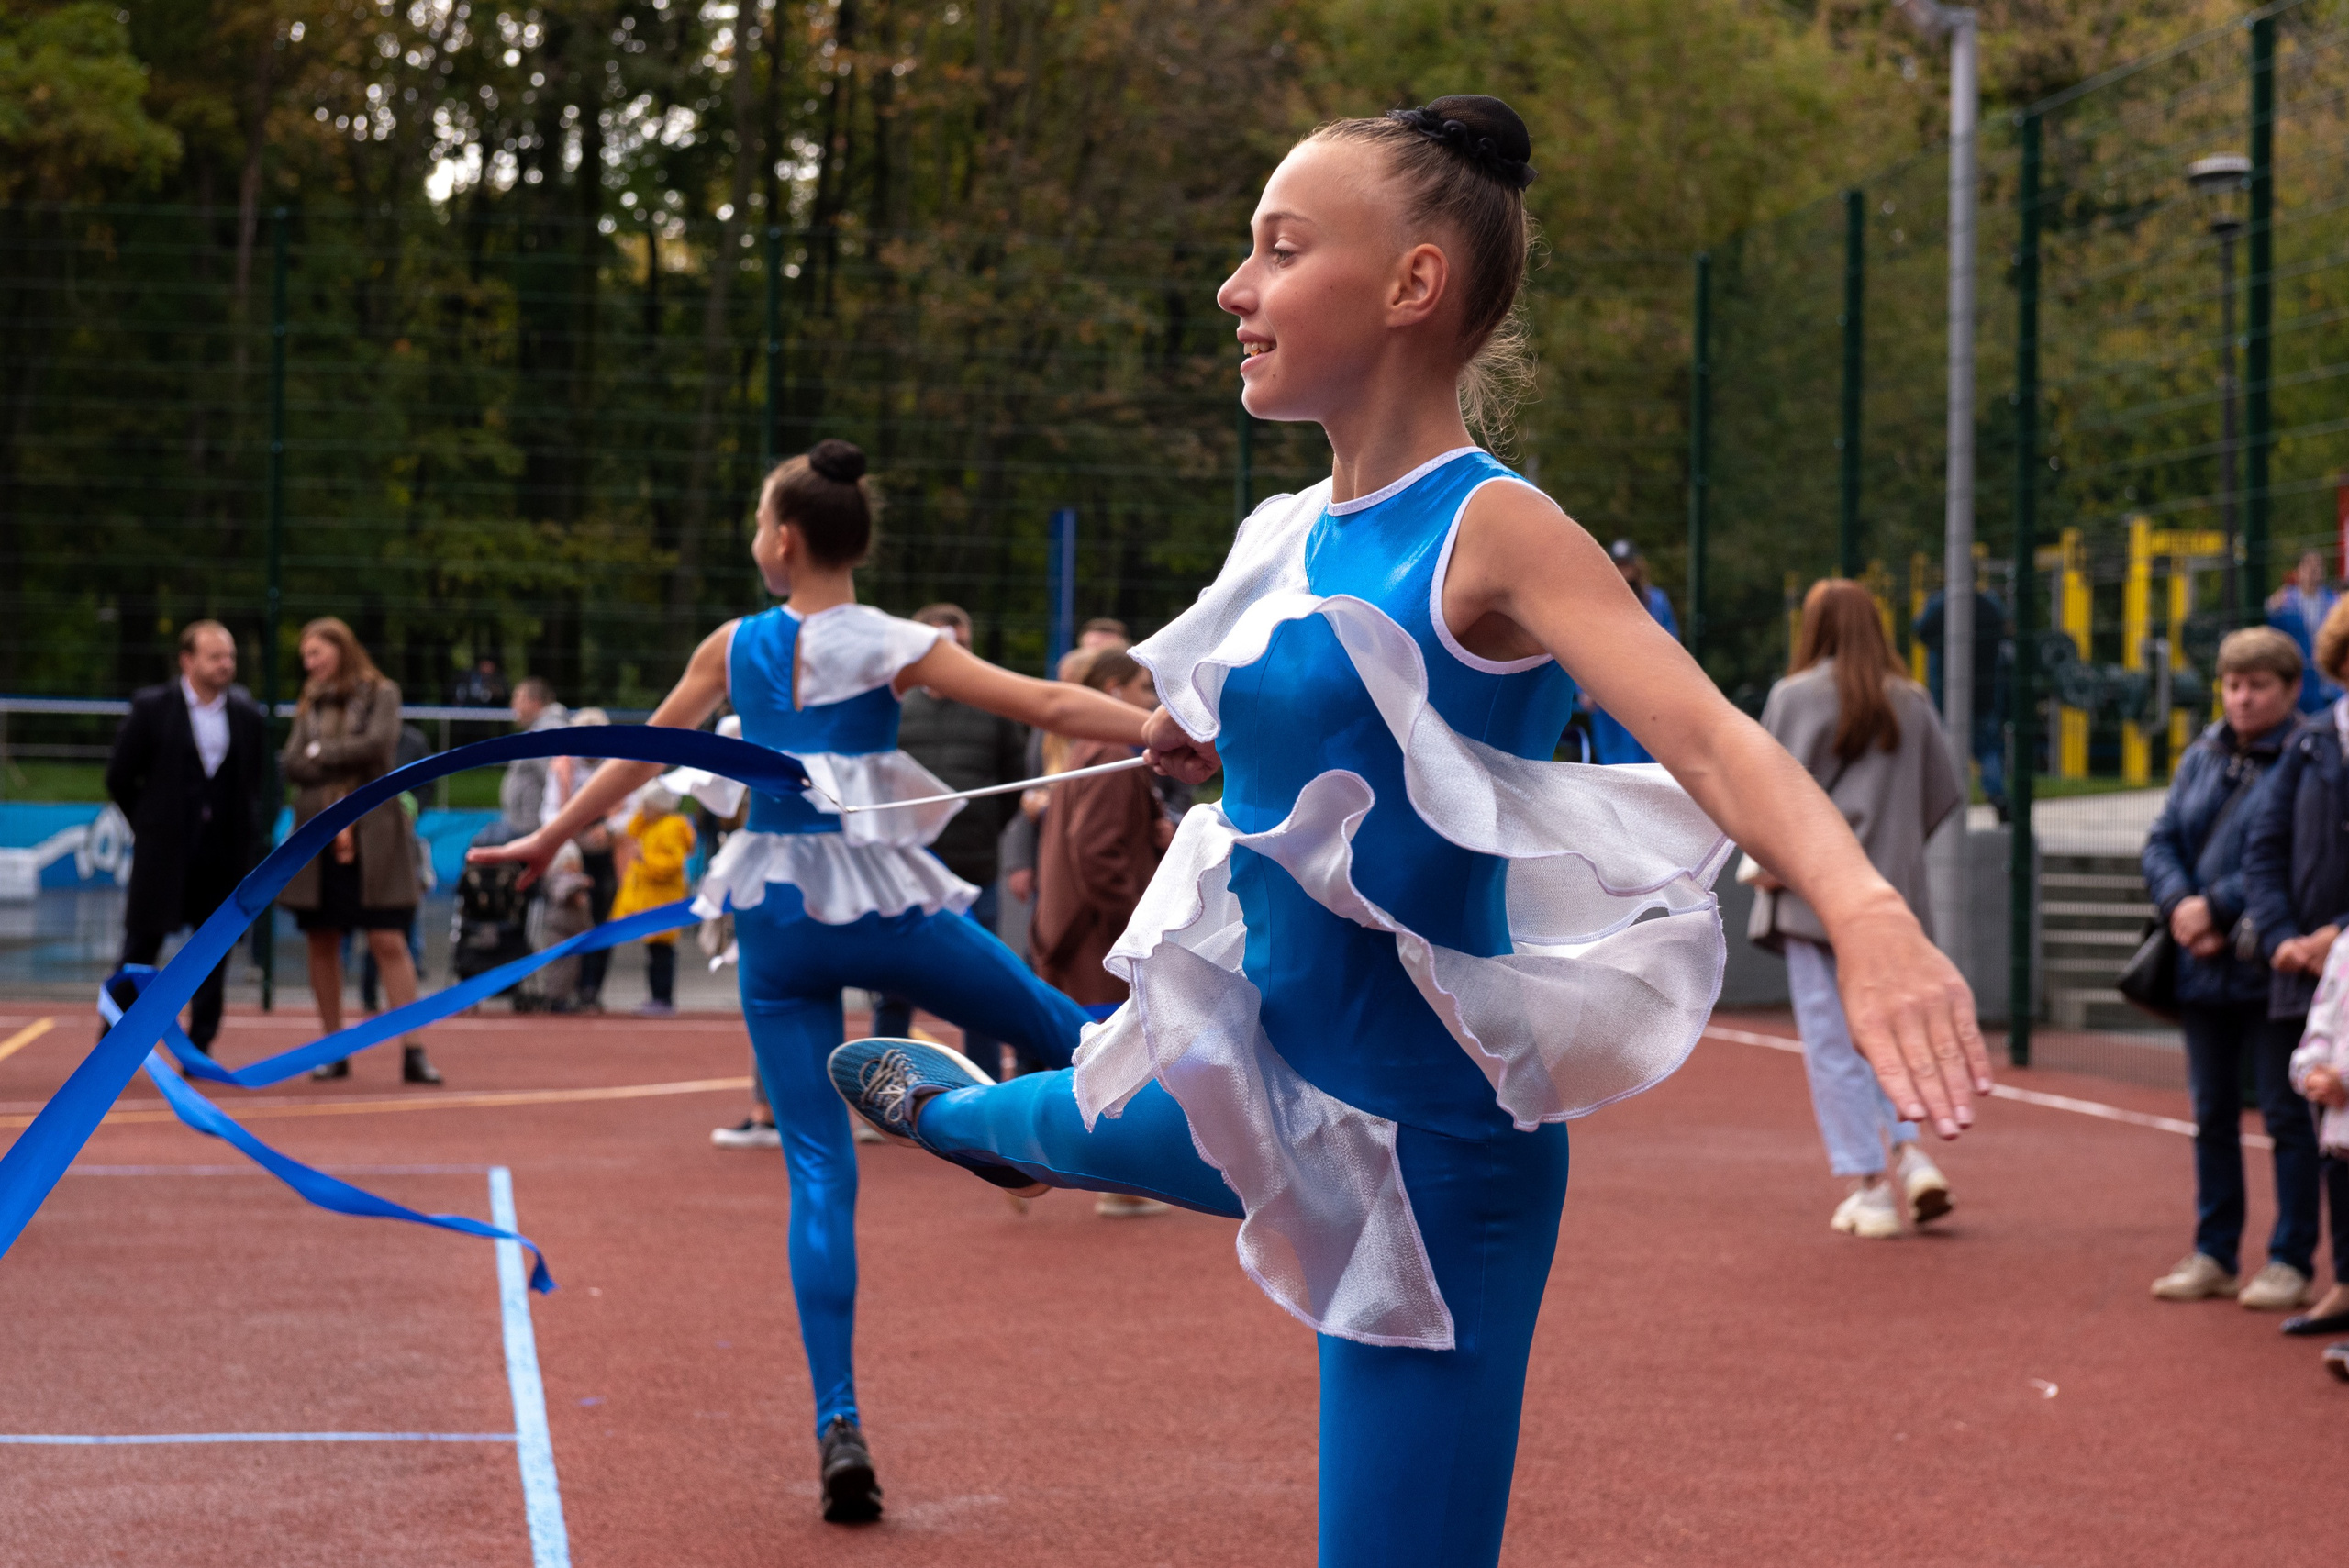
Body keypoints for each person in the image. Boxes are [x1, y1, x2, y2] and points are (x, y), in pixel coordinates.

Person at [827, 96, 1986, 1567]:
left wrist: (1870, 912)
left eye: (1278, 249)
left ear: (1411, 285)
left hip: (1424, 1165)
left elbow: (1707, 735)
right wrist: (1209, 731)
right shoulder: (1285, 532)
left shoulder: (1492, 526)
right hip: (1255, 1070)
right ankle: (976, 1127)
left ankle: (994, 1129)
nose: (1236, 290)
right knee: (1052, 1115)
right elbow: (1300, 720)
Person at [471, 438, 1152, 1526]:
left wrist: (550, 838)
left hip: (778, 924)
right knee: (1068, 1026)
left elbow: (641, 748)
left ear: (783, 540)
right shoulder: (894, 639)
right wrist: (1167, 727)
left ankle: (839, 1420)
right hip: (884, 908)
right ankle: (1114, 1122)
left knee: (819, 1174)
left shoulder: (734, 643)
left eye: (755, 521)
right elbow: (1049, 705)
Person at [1750, 581, 1960, 1238]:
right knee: (1884, 1036)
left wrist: (1776, 861)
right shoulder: (1914, 699)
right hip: (1889, 895)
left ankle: (1871, 1186)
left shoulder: (1795, 695)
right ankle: (1909, 1149)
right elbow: (1944, 793)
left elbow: (1762, 787)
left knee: (1831, 1041)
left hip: (1813, 891)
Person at [2143, 627, 2309, 1307]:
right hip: (2200, 964)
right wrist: (2180, 902)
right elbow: (2161, 839)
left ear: (2290, 689)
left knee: (2285, 1113)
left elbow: (2291, 852)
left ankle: (2291, 1258)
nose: (2242, 698)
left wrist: (2213, 903)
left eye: (2258, 686)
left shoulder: (2308, 755)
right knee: (2211, 1111)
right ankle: (2215, 1250)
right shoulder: (2202, 753)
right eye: (2234, 685)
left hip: (2269, 962)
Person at [2235, 608, 2349, 1313]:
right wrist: (2283, 934)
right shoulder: (2311, 747)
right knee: (2309, 1121)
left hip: (2338, 953)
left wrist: (2338, 930)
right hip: (2304, 970)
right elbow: (2263, 844)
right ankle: (2330, 1272)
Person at [277, 617, 440, 1085]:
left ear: (342, 650)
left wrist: (319, 753)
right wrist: (323, 756)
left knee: (388, 939)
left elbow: (377, 748)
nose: (310, 664)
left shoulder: (381, 692)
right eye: (305, 656)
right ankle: (333, 1048)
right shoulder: (309, 700)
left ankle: (413, 1050)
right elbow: (291, 763)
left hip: (373, 832)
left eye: (318, 654)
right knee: (322, 939)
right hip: (318, 833)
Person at [870, 604, 1030, 1076]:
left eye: (957, 644)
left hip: (974, 867)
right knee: (893, 987)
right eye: (936, 643)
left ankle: (981, 1093)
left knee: (980, 986)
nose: (947, 654)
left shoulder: (993, 708)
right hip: (903, 872)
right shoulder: (890, 707)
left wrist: (982, 829)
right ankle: (887, 1088)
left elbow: (1013, 783)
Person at [103, 620, 269, 1056]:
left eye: (230, 656)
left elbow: (258, 783)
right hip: (164, 852)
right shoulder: (152, 708)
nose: (225, 665)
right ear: (187, 660)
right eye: (215, 656)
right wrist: (149, 822)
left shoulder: (248, 716)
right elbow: (119, 776)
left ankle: (200, 1045)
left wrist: (247, 836)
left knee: (212, 951)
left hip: (222, 855)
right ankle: (113, 1041)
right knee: (142, 943)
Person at [2287, 934, 2349, 1358]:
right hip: (2342, 1126)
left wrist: (2345, 1078)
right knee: (2344, 1207)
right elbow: (2322, 1019)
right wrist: (2312, 1071)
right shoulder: (2345, 946)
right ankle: (2346, 1289)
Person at [1913, 583, 2011, 815]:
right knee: (1987, 750)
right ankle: (1997, 795)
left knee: (1943, 750)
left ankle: (1942, 804)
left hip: (1946, 693)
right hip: (1985, 692)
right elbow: (2004, 631)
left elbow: (1921, 629)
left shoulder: (1940, 603)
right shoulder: (1990, 604)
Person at [1583, 539, 1677, 763]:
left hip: (1649, 693)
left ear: (1637, 566)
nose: (1623, 571)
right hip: (1609, 695)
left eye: (1627, 564)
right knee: (1616, 763)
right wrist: (1585, 688)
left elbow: (1672, 647)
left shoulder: (1656, 602)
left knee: (1649, 763)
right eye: (1618, 564)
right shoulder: (1599, 602)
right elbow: (1585, 646)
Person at [610, 783, 696, 1016]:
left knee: (661, 955)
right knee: (654, 954)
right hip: (653, 901)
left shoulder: (670, 827)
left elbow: (672, 863)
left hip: (664, 901)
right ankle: (657, 997)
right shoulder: (652, 825)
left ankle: (662, 998)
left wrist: (645, 859)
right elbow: (632, 829)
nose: (643, 810)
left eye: (648, 805)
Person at [2266, 550, 2342, 716]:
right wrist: (2271, 609)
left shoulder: (2334, 602)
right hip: (2298, 676)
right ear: (2298, 570)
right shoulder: (2284, 602)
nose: (2313, 571)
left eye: (2318, 566)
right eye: (2308, 566)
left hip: (2327, 681)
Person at [499, 677, 568, 835]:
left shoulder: (547, 732)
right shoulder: (543, 729)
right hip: (528, 826)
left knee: (477, 849)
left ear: (535, 702)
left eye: (518, 698)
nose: (513, 705)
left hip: (534, 829)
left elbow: (558, 779)